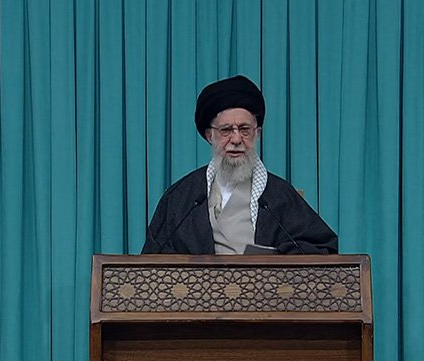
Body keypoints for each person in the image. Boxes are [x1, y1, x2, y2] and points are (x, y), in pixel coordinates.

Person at [142, 75, 338, 255]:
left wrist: (278, 259)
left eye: (244, 129)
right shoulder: (182, 197)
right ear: (210, 136)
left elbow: (322, 249)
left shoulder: (280, 195)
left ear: (257, 133)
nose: (236, 139)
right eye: (226, 130)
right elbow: (150, 263)